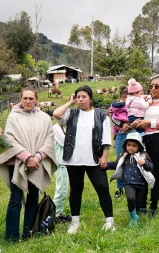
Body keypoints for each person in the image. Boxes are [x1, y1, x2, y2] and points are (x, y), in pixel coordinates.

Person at [0, 87, 56, 243]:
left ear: (36, 99)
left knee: (33, 198)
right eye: (25, 98)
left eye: (31, 98)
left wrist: (37, 157)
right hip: (16, 163)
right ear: (20, 99)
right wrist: (27, 157)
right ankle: (12, 237)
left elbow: (49, 140)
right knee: (15, 199)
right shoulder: (13, 116)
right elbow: (10, 140)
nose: (28, 101)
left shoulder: (44, 118)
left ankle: (29, 232)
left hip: (37, 163)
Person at [53, 85, 114, 234]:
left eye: (83, 97)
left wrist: (104, 156)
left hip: (94, 159)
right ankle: (75, 222)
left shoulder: (101, 114)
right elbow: (56, 114)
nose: (80, 99)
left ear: (90, 98)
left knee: (102, 188)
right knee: (76, 190)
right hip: (73, 160)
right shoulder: (72, 113)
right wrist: (70, 103)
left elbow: (106, 137)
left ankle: (110, 221)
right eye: (78, 97)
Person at [130, 76, 159, 217]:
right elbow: (132, 114)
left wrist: (149, 123)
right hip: (141, 139)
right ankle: (141, 204)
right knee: (141, 171)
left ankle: (153, 205)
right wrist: (135, 123)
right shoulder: (143, 99)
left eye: (157, 86)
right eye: (151, 86)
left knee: (155, 172)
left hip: (157, 138)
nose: (153, 89)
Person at [109, 132, 155, 226]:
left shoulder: (143, 155)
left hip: (141, 184)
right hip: (128, 183)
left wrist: (145, 163)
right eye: (129, 145)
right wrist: (106, 165)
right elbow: (115, 164)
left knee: (138, 202)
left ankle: (136, 216)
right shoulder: (123, 156)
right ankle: (132, 217)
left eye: (134, 145)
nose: (131, 147)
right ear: (125, 145)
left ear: (139, 146)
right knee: (130, 198)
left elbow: (151, 167)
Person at [109, 85, 131, 198]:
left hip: (132, 132)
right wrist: (122, 125)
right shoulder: (114, 107)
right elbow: (112, 118)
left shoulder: (134, 104)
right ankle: (119, 187)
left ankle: (131, 185)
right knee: (120, 160)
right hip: (120, 133)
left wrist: (129, 125)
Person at [52, 122, 72, 223]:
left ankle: (58, 213)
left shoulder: (63, 127)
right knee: (61, 189)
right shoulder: (56, 128)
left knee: (64, 188)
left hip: (65, 162)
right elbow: (65, 142)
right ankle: (54, 215)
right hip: (60, 162)